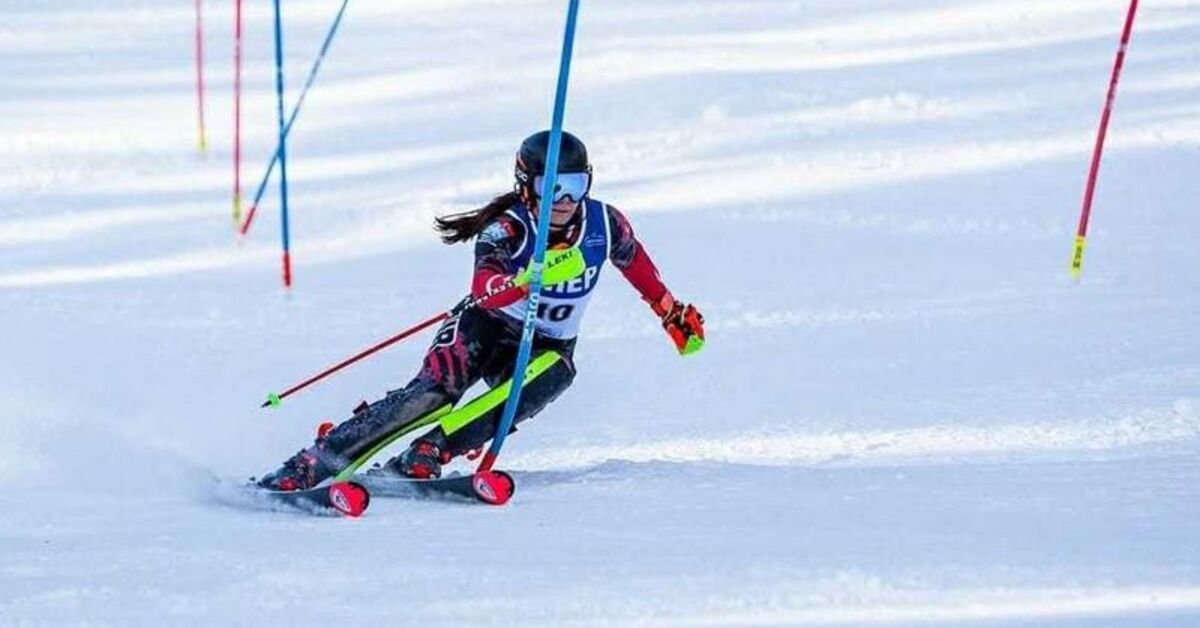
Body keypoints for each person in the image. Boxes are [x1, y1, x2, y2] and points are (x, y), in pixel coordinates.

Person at [257, 130, 705, 491]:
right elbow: (484, 291)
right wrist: (525, 280)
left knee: (555, 372)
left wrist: (669, 312)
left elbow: (634, 262)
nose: (566, 200)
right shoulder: (508, 228)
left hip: (544, 345)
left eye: (576, 186)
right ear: (526, 187)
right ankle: (315, 461)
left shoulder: (604, 224)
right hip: (484, 327)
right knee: (434, 394)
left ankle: (430, 450)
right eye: (552, 187)